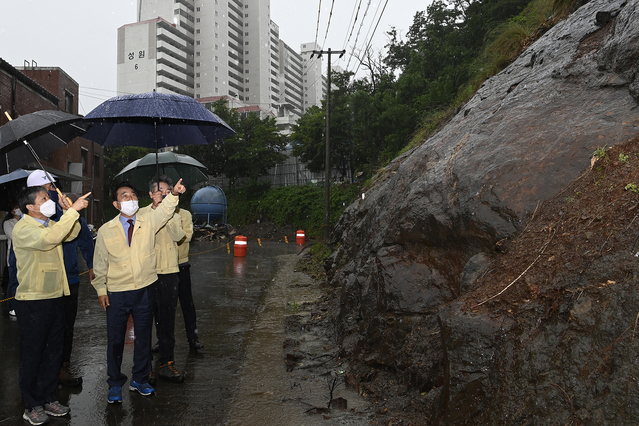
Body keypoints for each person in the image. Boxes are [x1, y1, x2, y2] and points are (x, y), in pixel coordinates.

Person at [92, 179, 185, 404]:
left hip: (145, 288)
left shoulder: (148, 221)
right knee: (115, 340)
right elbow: (100, 263)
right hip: (117, 292)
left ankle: (140, 379)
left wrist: (172, 194)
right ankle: (115, 383)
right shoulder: (107, 230)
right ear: (116, 204)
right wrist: (101, 289)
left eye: (133, 195)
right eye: (125, 196)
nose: (131, 199)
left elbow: (165, 211)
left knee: (143, 337)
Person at [13, 185, 90, 425]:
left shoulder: (49, 224)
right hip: (34, 300)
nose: (50, 201)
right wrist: (72, 212)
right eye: (44, 198)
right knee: (33, 353)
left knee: (53, 352)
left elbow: (71, 232)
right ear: (30, 207)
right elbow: (51, 239)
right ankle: (31, 404)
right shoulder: (24, 228)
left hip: (56, 295)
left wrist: (70, 212)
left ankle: (48, 397)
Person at [26, 170, 95, 387]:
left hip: (70, 279)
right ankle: (42, 375)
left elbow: (81, 236)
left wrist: (92, 263)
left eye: (52, 190)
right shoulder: (30, 224)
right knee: (44, 332)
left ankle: (62, 366)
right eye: (46, 192)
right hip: (43, 287)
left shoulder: (63, 212)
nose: (52, 195)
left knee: (65, 327)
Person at [141, 176, 186, 384]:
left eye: (167, 191)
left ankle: (167, 363)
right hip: (147, 273)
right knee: (144, 321)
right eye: (159, 191)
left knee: (167, 321)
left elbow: (179, 236)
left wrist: (166, 214)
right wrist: (157, 213)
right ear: (151, 194)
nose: (163, 193)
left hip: (168, 272)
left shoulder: (175, 213)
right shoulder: (141, 214)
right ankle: (145, 367)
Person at [175, 206, 204, 351]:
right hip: (160, 267)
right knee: (161, 307)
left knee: (187, 303)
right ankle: (162, 340)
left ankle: (193, 337)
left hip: (181, 264)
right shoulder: (153, 213)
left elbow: (186, 237)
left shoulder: (184, 214)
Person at [2, 203, 21, 317]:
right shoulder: (8, 223)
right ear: (12, 211)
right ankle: (12, 306)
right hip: (13, 255)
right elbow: (12, 236)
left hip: (24, 256)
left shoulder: (24, 220)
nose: (18, 210)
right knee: (13, 281)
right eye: (15, 208)